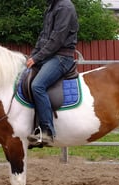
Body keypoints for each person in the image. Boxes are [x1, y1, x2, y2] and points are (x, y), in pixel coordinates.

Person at [27, 0, 79, 146]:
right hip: (50, 56)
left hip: (62, 57)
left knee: (38, 85)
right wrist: (32, 56)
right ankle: (33, 127)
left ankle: (47, 132)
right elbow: (43, 36)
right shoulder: (52, 7)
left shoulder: (65, 7)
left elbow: (57, 39)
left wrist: (37, 57)